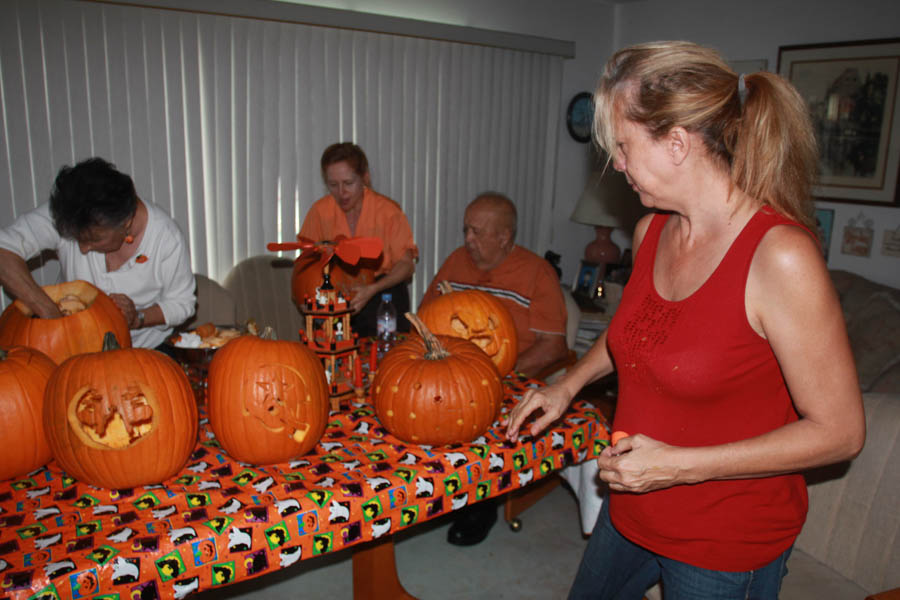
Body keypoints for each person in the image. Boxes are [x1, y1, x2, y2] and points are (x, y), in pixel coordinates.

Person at [506, 41, 865, 599]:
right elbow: (634, 333)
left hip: (725, 542)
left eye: (623, 146)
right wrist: (568, 384)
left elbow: (840, 433)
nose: (617, 165)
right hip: (633, 510)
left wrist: (679, 467)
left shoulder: (779, 256)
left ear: (677, 143)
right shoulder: (653, 231)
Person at [421, 191, 569, 546]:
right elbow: (425, 321)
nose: (467, 240)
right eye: (465, 230)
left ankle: (481, 501)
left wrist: (498, 372)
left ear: (504, 237)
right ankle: (431, 489)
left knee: (481, 414)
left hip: (513, 371)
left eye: (476, 232)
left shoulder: (537, 273)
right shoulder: (456, 262)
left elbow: (555, 346)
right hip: (453, 370)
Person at [0, 157, 195, 350]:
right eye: (76, 238)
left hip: (142, 350)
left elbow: (182, 303)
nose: (83, 249)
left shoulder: (166, 238)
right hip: (72, 348)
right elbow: (3, 249)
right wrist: (51, 315)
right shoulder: (71, 213)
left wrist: (137, 318)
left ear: (126, 223)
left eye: (92, 240)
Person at [299, 142, 417, 336]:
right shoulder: (319, 212)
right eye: (333, 185)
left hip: (383, 293)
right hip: (337, 296)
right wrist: (306, 296)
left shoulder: (388, 212)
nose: (341, 192)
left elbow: (406, 265)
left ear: (365, 178)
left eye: (348, 183)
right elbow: (306, 263)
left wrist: (372, 289)